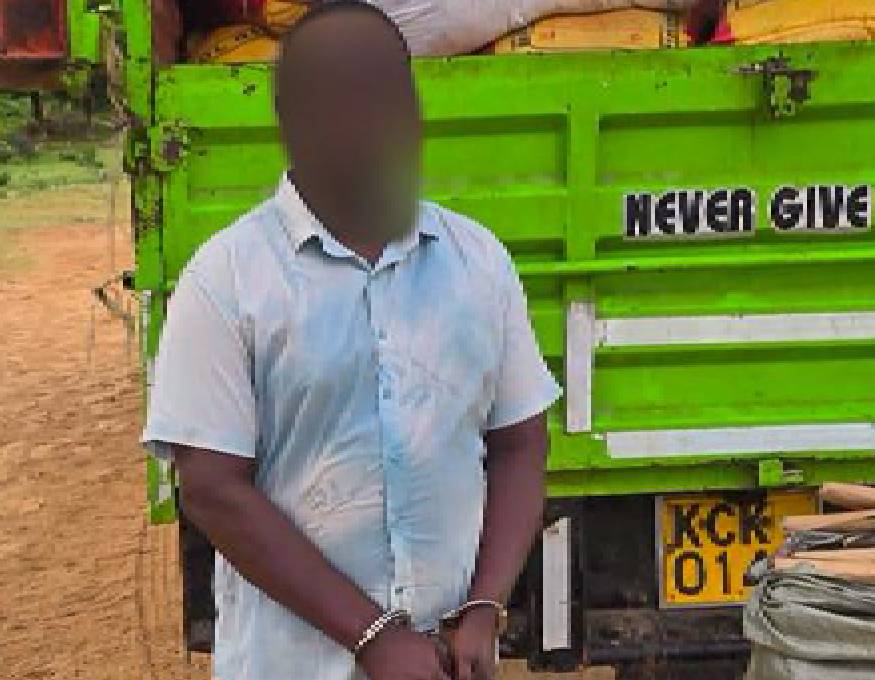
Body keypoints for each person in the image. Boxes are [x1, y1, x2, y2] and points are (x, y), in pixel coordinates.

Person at [140, 3, 561, 680]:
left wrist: (483, 605)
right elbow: (213, 487)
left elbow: (519, 440)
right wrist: (373, 636)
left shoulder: (476, 259)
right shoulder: (228, 279)